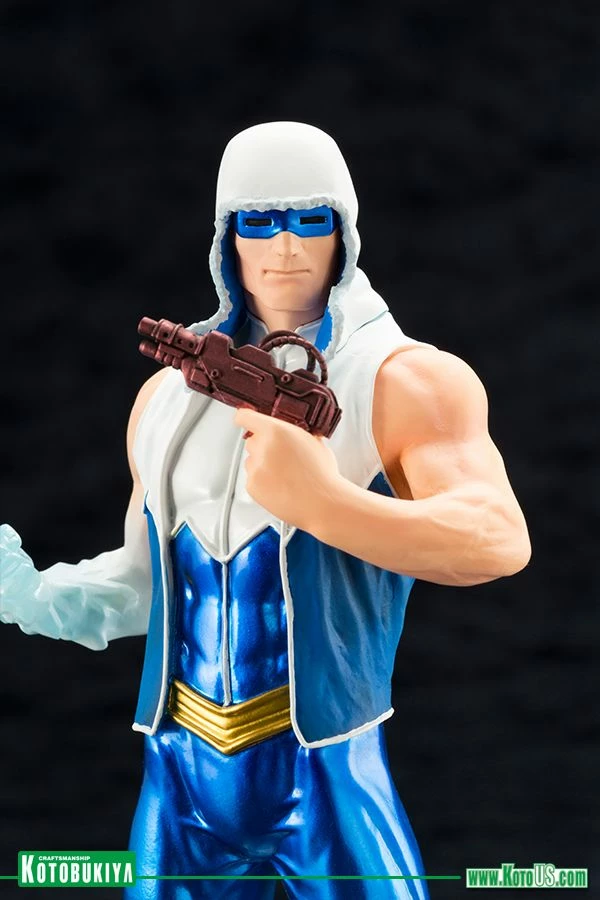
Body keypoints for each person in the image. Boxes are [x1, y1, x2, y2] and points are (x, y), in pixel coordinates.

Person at [0, 121, 531, 898]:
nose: (285, 245)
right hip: (181, 765)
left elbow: (496, 537)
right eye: (259, 221)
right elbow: (147, 583)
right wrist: (31, 595)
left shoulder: (405, 379)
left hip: (324, 765)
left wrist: (324, 503)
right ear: (227, 237)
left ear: (344, 231)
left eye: (310, 219)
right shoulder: (166, 399)